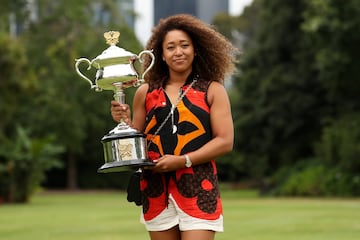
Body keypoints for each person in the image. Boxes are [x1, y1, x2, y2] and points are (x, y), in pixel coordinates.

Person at [111, 14, 237, 240]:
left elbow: (225, 141)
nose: (178, 52)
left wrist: (183, 160)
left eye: (184, 45)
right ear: (161, 55)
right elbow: (136, 142)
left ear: (196, 49)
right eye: (170, 47)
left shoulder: (213, 90)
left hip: (199, 187)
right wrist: (124, 122)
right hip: (155, 190)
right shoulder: (145, 92)